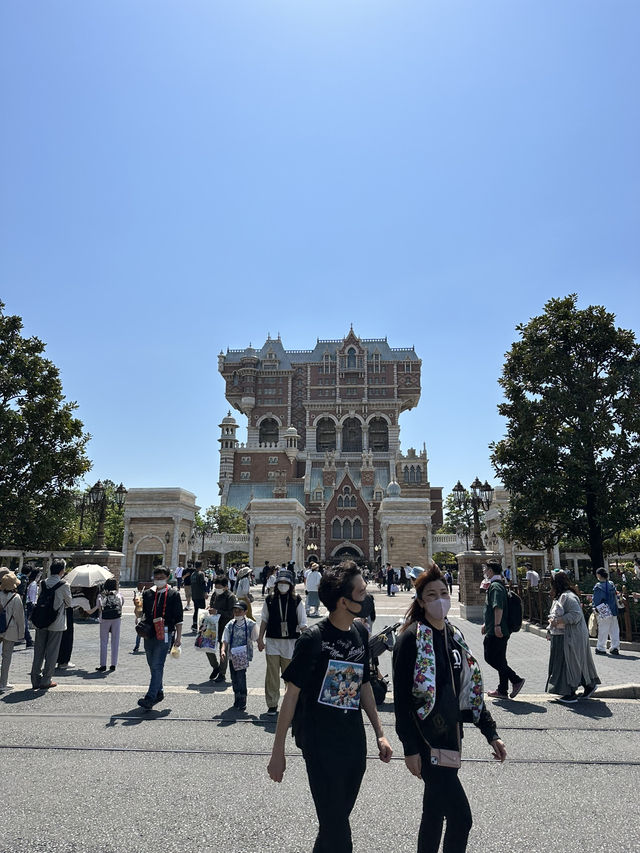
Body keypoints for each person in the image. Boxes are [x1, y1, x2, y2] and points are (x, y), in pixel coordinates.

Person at [267, 561, 393, 853]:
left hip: (353, 742)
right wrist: (278, 752)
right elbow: (291, 696)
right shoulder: (313, 639)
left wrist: (380, 732)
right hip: (319, 743)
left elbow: (362, 685)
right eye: (362, 591)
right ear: (343, 601)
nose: (367, 596)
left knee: (334, 822)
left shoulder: (361, 633)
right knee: (338, 829)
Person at [393, 565, 507, 853]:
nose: (439, 599)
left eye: (444, 592)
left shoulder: (454, 636)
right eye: (431, 595)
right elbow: (403, 700)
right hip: (427, 741)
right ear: (420, 601)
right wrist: (409, 748)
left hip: (451, 740)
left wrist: (491, 733)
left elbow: (470, 690)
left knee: (433, 814)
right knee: (460, 818)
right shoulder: (410, 639)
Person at [258, 569, 307, 715]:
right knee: (272, 675)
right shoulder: (270, 599)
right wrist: (260, 638)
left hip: (291, 643)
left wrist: (310, 639)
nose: (283, 585)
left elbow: (303, 622)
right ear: (277, 583)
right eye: (281, 582)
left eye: (286, 583)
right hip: (272, 641)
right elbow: (264, 620)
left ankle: (291, 703)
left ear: (291, 584)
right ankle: (272, 704)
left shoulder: (297, 599)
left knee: (290, 675)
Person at [546, 570, 600, 703]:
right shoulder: (561, 596)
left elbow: (576, 615)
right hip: (562, 636)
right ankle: (588, 685)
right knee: (573, 662)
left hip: (569, 636)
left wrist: (557, 621)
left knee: (568, 663)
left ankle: (570, 693)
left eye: (551, 584)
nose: (550, 587)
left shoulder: (568, 597)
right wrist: (550, 628)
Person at [137, 566, 183, 710]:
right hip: (149, 632)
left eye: (161, 578)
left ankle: (150, 697)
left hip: (165, 632)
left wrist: (178, 637)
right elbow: (140, 614)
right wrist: (136, 606)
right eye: (156, 578)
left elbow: (179, 618)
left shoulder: (173, 594)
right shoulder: (147, 594)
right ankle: (159, 691)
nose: (158, 580)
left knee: (157, 664)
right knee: (152, 664)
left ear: (168, 577)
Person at [481, 559, 526, 700]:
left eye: (485, 569)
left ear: (490, 571)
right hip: (498, 628)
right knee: (500, 659)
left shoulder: (495, 586)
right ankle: (502, 690)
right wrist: (486, 624)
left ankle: (516, 679)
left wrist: (496, 626)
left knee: (490, 657)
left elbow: (497, 607)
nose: (484, 571)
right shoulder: (499, 585)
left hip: (498, 630)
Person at [30, 559, 73, 690]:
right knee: (52, 652)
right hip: (57, 622)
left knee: (39, 651)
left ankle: (35, 679)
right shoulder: (64, 585)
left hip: (41, 621)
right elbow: (69, 603)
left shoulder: (43, 583)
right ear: (61, 571)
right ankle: (46, 679)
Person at [221, 600, 257, 712]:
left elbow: (256, 637)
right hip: (233, 655)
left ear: (245, 612)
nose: (237, 613)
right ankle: (237, 695)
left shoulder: (251, 624)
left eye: (239, 611)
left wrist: (261, 644)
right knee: (234, 677)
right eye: (235, 610)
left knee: (241, 676)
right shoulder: (231, 624)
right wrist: (223, 650)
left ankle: (242, 697)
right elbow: (225, 639)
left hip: (243, 655)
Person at [0, 571, 26, 692]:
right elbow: (20, 619)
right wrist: (22, 634)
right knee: (6, 657)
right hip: (10, 630)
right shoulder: (16, 598)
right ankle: (3, 683)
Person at [208, 576, 237, 683]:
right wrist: (210, 609)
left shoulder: (230, 597)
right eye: (216, 587)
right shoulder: (215, 594)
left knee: (223, 650)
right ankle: (216, 667)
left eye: (219, 587)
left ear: (225, 587)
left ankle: (222, 673)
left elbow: (231, 614)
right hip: (212, 626)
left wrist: (217, 611)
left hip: (225, 626)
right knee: (208, 648)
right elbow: (212, 605)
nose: (217, 589)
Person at [95, 578, 124, 672]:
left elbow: (99, 607)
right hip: (116, 618)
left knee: (104, 641)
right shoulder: (118, 595)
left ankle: (103, 664)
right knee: (115, 641)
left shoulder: (101, 595)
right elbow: (121, 604)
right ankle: (113, 664)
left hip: (104, 619)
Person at [592, 568, 620, 656]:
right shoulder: (611, 584)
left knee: (603, 630)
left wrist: (594, 608)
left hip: (603, 610)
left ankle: (601, 647)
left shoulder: (598, 586)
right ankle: (615, 647)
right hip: (613, 609)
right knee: (614, 629)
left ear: (599, 575)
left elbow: (596, 600)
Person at [190, 561, 207, 632]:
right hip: (200, 594)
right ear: (201, 566)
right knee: (202, 610)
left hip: (194, 594)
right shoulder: (201, 574)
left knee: (196, 610)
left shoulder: (193, 574)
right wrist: (205, 592)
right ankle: (201, 625)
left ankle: (194, 625)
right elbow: (203, 584)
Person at [132, 587, 144, 653]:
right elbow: (138, 608)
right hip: (143, 619)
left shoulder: (142, 601)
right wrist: (136, 618)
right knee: (140, 633)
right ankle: (137, 646)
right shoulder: (141, 601)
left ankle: (137, 646)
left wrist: (136, 618)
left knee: (140, 633)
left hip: (145, 619)